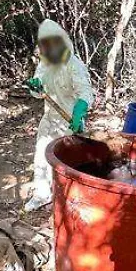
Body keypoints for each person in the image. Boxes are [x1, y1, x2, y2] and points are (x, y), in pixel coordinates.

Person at [24, 19, 94, 212]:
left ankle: (69, 200)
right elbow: (39, 90)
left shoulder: (75, 65)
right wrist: (35, 87)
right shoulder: (44, 64)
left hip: (70, 122)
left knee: (68, 163)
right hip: (49, 119)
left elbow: (85, 93)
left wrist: (79, 112)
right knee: (41, 157)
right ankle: (42, 194)